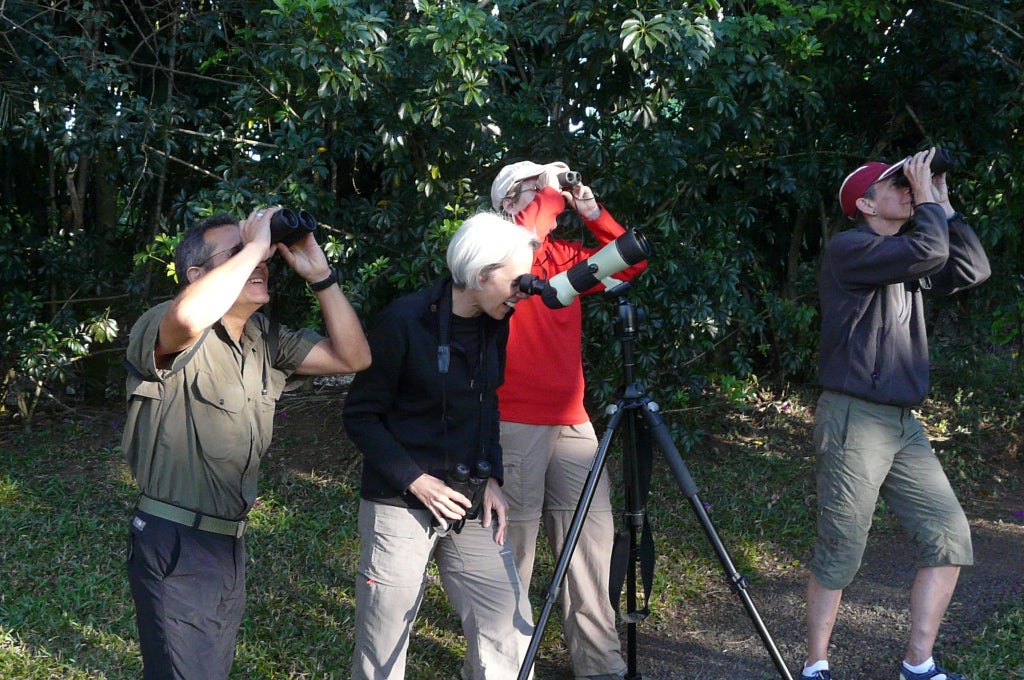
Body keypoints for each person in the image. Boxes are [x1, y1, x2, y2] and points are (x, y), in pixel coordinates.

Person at [122, 207, 371, 679]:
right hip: (175, 541)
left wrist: (320, 275)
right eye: (236, 252)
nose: (259, 261)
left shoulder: (264, 341)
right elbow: (188, 313)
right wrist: (257, 243)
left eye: (261, 253)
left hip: (226, 544)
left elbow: (353, 356)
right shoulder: (168, 325)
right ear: (196, 274)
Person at [801, 148, 991, 680]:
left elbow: (973, 269)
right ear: (865, 203)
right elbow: (930, 252)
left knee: (949, 535)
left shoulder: (909, 250)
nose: (909, 190)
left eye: (910, 185)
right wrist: (928, 204)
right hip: (853, 420)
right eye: (897, 186)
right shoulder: (851, 249)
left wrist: (945, 205)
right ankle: (815, 666)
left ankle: (918, 664)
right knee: (841, 549)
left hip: (903, 424)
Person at [342, 212, 538, 680]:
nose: (525, 291)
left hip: (470, 495)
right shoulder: (403, 321)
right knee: (383, 640)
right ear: (481, 274)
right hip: (402, 498)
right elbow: (360, 416)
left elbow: (487, 401)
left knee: (509, 630)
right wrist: (417, 481)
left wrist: (491, 475)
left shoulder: (497, 321)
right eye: (518, 279)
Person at [489, 160, 647, 680]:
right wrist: (541, 190)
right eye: (547, 191)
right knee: (514, 547)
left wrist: (593, 211)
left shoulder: (562, 256)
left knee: (590, 539)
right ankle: (508, 665)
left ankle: (599, 664)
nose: (558, 200)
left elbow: (627, 265)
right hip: (513, 419)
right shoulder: (491, 250)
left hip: (571, 419)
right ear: (518, 196)